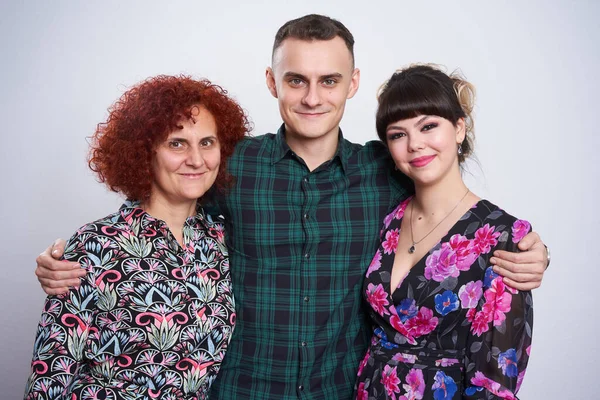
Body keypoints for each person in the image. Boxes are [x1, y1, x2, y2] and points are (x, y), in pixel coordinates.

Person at [33, 15, 548, 400]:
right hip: (241, 390)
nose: (312, 97)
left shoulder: (387, 171)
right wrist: (77, 264)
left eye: (329, 81)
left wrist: (532, 251)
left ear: (352, 84)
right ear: (272, 82)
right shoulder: (230, 166)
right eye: (296, 79)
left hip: (343, 390)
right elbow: (163, 210)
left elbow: (451, 216)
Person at [24, 75, 249, 399]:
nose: (197, 160)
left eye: (207, 142)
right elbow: (48, 381)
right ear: (145, 151)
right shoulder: (96, 245)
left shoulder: (218, 240)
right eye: (177, 143)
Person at [355, 64, 533, 399]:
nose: (415, 144)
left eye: (428, 126)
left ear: (459, 128)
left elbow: (496, 377)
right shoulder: (388, 219)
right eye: (398, 134)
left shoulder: (502, 235)